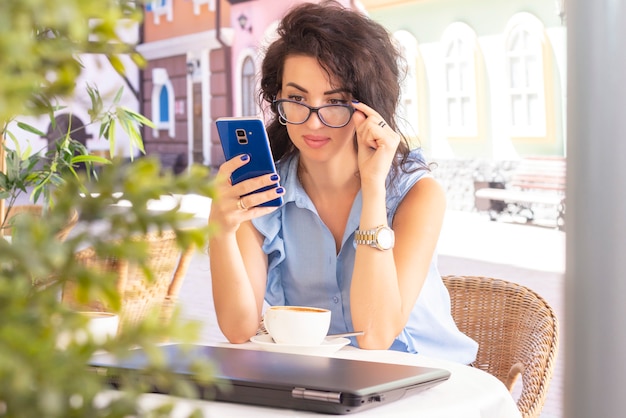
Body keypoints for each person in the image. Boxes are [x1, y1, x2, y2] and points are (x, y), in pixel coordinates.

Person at [209, 0, 478, 364]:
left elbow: (377, 335)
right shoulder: (263, 193)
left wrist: (373, 188)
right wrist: (220, 229)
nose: (313, 122)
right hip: (325, 382)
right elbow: (239, 328)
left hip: (428, 377)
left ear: (368, 108)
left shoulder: (418, 195)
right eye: (296, 98)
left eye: (335, 101)